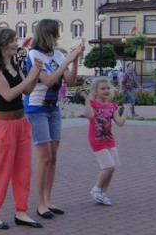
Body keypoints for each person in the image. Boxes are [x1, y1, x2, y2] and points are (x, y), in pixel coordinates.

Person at [0, 28, 44, 230]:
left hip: (20, 122)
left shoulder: (15, 64)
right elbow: (8, 95)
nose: (16, 44)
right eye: (12, 40)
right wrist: (29, 77)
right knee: (1, 169)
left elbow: (27, 90)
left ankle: (21, 211)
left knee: (23, 169)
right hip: (3, 123)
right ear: (1, 43)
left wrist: (35, 74)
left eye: (16, 40)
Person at [25, 19, 85, 219]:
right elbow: (48, 80)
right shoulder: (34, 54)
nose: (58, 36)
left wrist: (75, 60)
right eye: (56, 32)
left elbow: (71, 81)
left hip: (53, 108)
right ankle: (40, 203)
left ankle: (48, 200)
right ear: (48, 34)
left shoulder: (58, 55)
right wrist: (68, 60)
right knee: (45, 157)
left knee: (53, 158)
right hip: (37, 108)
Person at [81, 77, 130, 206]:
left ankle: (103, 194)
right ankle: (96, 189)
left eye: (108, 88)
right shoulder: (92, 104)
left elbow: (120, 122)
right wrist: (87, 100)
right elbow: (89, 115)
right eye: (102, 88)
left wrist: (126, 109)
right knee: (109, 166)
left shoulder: (112, 106)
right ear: (96, 91)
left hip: (109, 140)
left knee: (111, 168)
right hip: (97, 140)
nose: (106, 91)